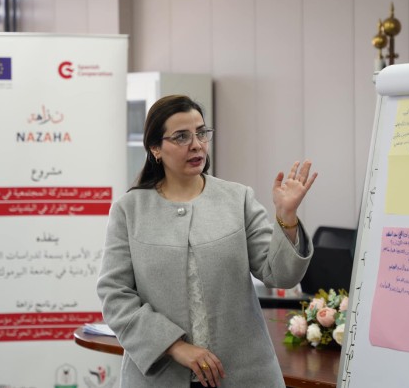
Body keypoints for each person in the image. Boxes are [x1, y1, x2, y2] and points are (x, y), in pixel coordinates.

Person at [97, 94, 317, 387]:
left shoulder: (237, 198)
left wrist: (286, 216)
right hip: (160, 376)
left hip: (244, 375)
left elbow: (280, 275)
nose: (196, 144)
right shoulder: (129, 210)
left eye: (201, 133)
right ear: (155, 148)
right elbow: (114, 294)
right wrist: (174, 346)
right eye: (181, 137)